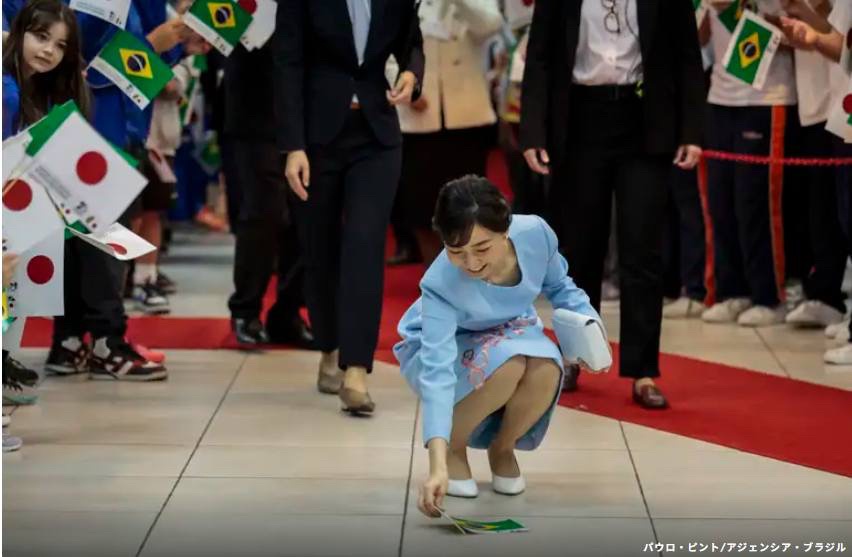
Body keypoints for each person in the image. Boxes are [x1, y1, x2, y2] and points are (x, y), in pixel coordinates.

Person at [519, 0, 705, 407]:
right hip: (580, 119)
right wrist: (533, 130)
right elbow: (540, 58)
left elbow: (687, 57)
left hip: (645, 118)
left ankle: (643, 371)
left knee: (642, 248)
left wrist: (692, 129)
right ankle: (574, 353)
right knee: (581, 247)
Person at [395, 176, 604, 516]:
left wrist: (591, 330)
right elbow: (437, 373)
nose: (472, 264)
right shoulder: (439, 283)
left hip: (510, 328)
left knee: (546, 367)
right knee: (508, 365)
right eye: (456, 252)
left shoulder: (536, 234)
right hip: (453, 340)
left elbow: (561, 288)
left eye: (482, 249)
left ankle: (503, 446)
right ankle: (455, 447)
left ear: (505, 230)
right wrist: (436, 464)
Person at [274, 0, 424, 413]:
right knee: (319, 248)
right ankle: (329, 345)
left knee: (365, 244)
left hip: (376, 135)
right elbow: (287, 64)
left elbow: (411, 42)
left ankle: (356, 368)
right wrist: (293, 146)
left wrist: (412, 73)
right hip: (315, 137)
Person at [390, 0, 504, 264]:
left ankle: (471, 272)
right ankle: (435, 274)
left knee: (469, 206)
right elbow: (384, 46)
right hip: (418, 115)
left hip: (466, 114)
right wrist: (401, 82)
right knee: (421, 208)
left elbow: (490, 25)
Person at [222, 40, 313, 348]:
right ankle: (245, 309)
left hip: (307, 106)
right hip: (255, 104)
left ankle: (287, 312)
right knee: (265, 209)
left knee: (306, 213)